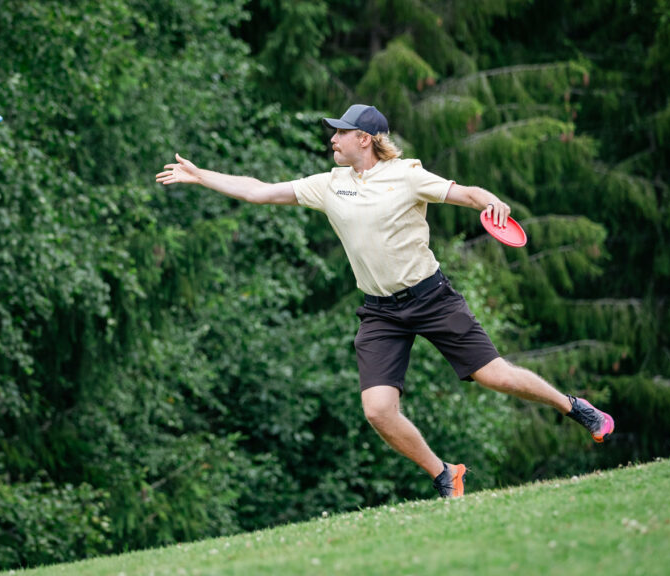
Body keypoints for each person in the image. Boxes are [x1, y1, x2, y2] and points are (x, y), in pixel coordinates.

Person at [155, 104, 615, 499]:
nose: (332, 139)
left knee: (493, 375)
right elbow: (257, 190)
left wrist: (489, 201)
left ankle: (573, 406)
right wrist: (201, 176)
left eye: (339, 132)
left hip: (431, 296)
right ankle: (444, 474)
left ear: (364, 139)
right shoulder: (329, 184)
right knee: (377, 409)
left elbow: (463, 193)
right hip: (379, 311)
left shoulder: (407, 175)